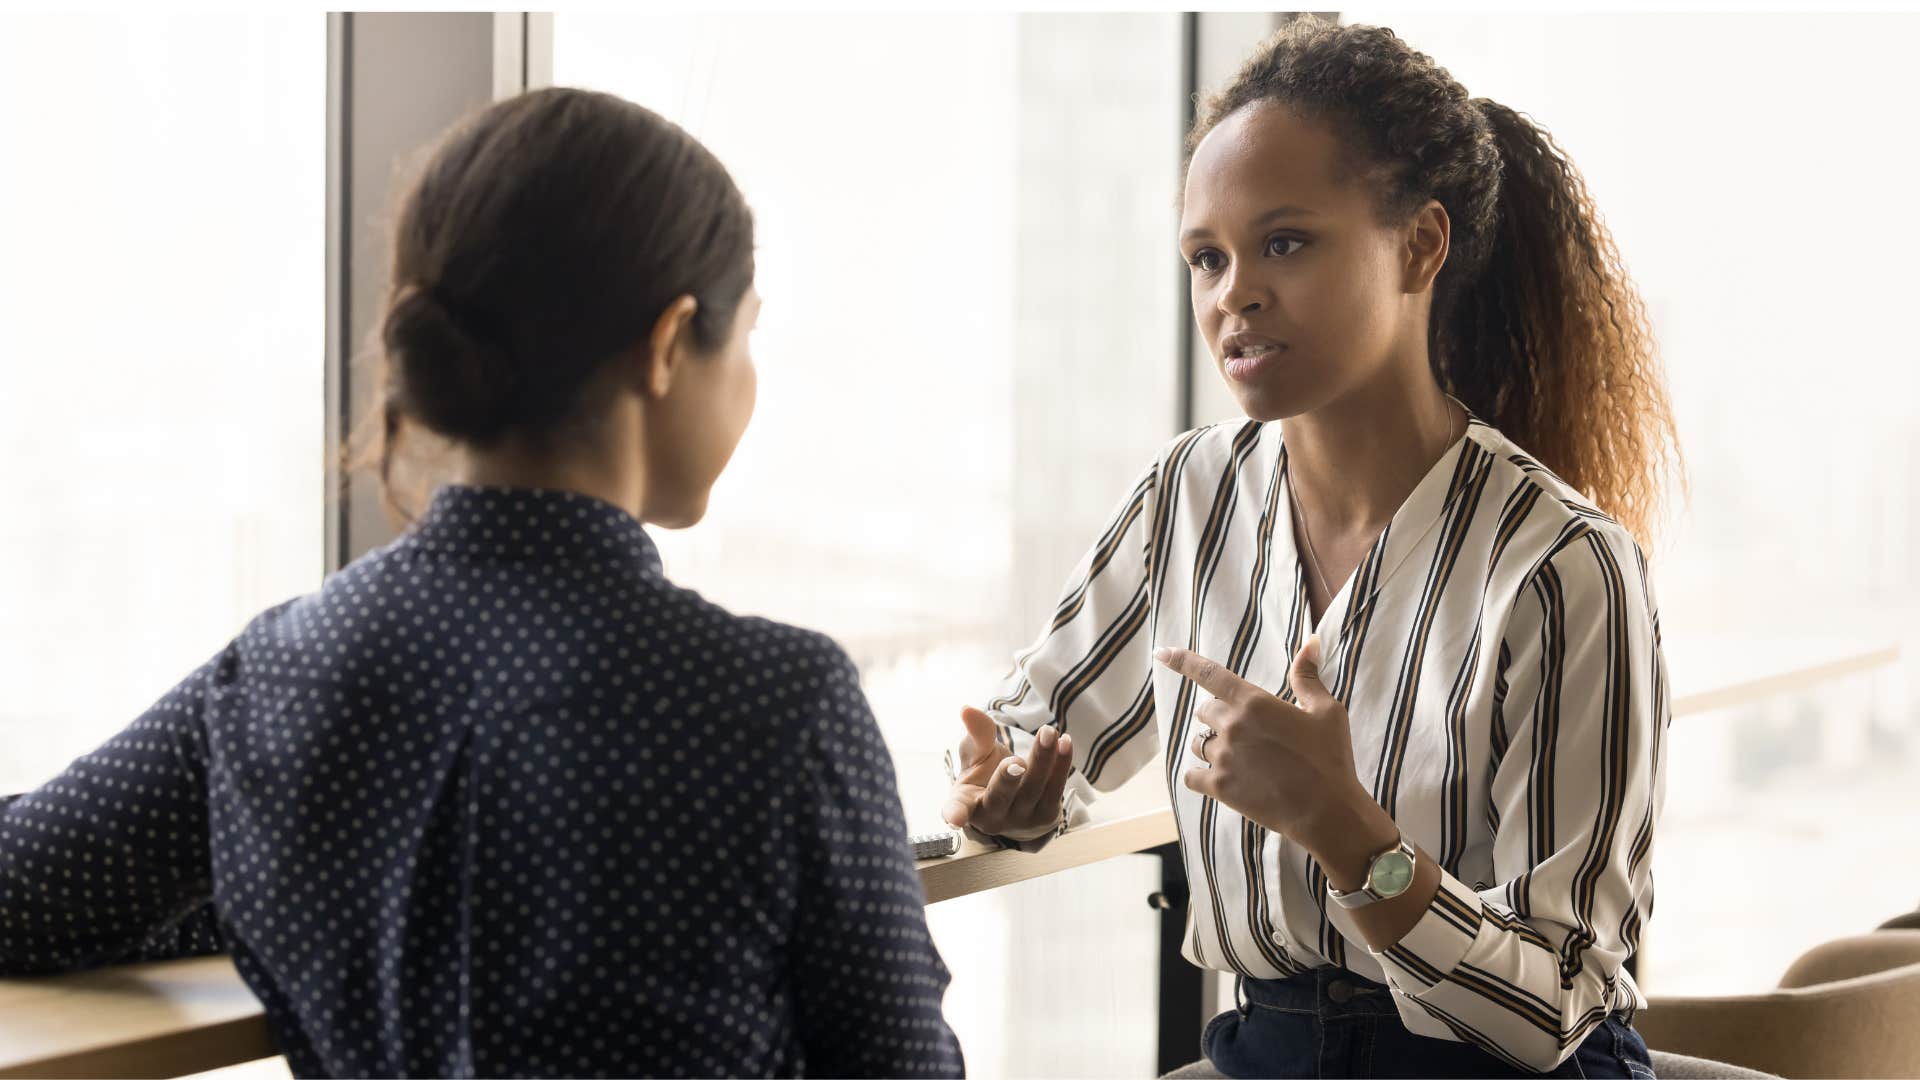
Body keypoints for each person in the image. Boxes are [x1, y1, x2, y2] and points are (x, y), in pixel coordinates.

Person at [0, 87, 964, 1079]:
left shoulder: (271, 682)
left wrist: (287, 883)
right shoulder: (775, 706)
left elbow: (18, 892)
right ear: (671, 342)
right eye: (749, 333)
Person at [941, 18, 1676, 1079]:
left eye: (1284, 242)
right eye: (1206, 257)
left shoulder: (1562, 566)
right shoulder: (1187, 494)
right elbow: (1031, 732)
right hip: (1266, 1051)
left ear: (1421, 246)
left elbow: (1557, 1003)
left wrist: (1346, 830)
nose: (1232, 292)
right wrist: (1011, 790)